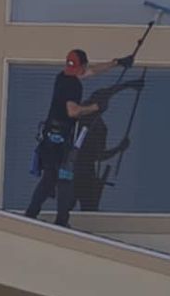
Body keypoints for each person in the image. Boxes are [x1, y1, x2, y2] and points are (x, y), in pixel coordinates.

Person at [25, 48, 136, 227]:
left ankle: (31, 214)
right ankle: (61, 221)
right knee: (64, 179)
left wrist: (117, 63)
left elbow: (91, 72)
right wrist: (94, 108)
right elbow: (73, 111)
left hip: (49, 139)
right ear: (81, 65)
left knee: (50, 178)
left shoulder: (63, 76)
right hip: (59, 142)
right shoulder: (73, 85)